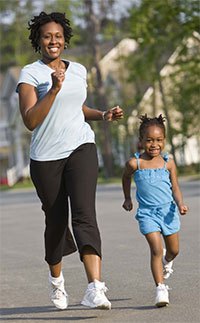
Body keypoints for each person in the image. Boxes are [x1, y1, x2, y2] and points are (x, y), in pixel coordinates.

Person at [16, 11, 123, 311]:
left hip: (81, 147)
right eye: (48, 36)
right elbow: (30, 121)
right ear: (39, 39)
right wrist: (52, 89)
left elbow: (77, 108)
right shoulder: (30, 74)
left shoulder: (79, 70)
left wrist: (102, 115)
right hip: (46, 158)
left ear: (65, 40)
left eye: (58, 36)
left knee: (85, 215)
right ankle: (57, 282)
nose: (53, 40)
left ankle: (95, 288)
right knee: (56, 221)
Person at [122, 114, 188, 307]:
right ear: (141, 141)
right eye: (149, 140)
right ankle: (160, 288)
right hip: (147, 214)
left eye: (159, 140)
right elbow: (125, 178)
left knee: (174, 250)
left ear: (164, 141)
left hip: (168, 211)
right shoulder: (135, 163)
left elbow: (175, 187)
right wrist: (127, 198)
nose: (154, 144)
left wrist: (181, 204)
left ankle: (167, 261)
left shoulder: (169, 162)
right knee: (156, 249)